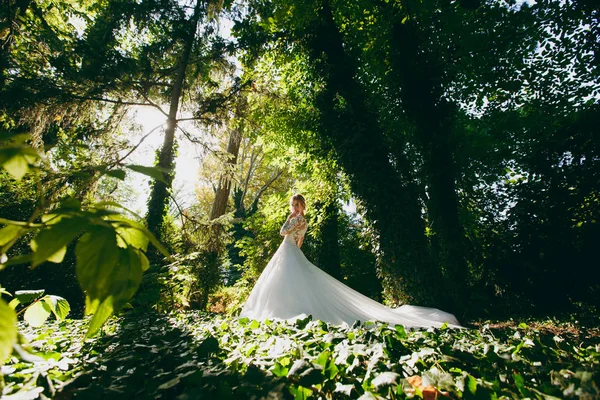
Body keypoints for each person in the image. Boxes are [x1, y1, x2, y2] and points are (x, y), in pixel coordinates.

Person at [240, 194, 461, 329]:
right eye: (293, 206)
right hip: (293, 251)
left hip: (287, 250)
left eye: (296, 206)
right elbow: (300, 242)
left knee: (284, 281)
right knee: (291, 282)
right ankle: (290, 309)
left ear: (300, 207)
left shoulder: (295, 219)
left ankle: (284, 311)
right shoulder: (305, 221)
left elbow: (282, 233)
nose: (294, 209)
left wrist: (288, 221)